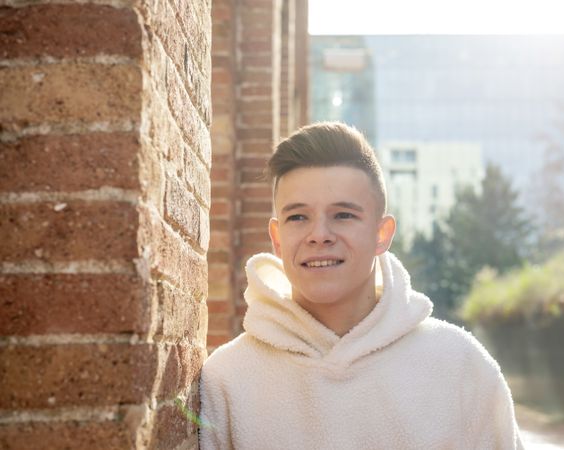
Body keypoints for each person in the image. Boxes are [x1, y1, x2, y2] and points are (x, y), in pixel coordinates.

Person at [199, 122, 524, 449]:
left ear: (382, 234)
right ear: (277, 238)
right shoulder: (227, 379)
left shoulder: (460, 365)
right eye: (298, 217)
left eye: (343, 215)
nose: (319, 234)